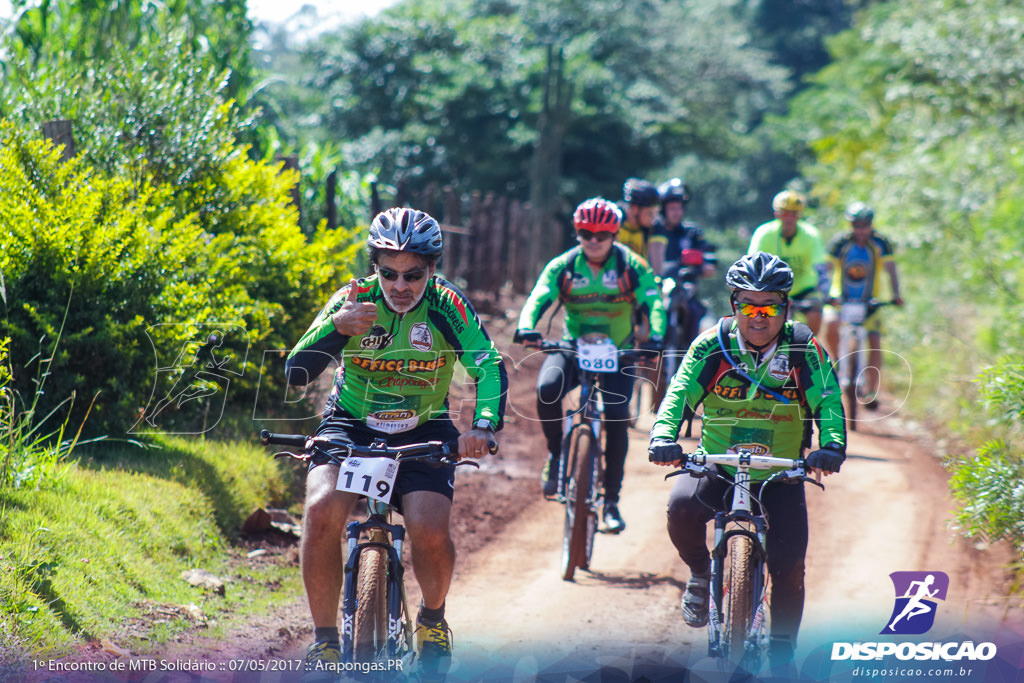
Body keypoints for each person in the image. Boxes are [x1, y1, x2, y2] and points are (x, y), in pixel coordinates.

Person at [284, 207, 508, 679]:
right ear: (374, 268)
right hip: (351, 421)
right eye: (388, 273)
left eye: (413, 274)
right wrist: (335, 329)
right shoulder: (352, 299)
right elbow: (296, 370)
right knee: (321, 509)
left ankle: (432, 620)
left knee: (429, 529)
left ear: (432, 270)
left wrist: (483, 426)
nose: (400, 285)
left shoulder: (448, 306)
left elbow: (488, 366)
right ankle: (325, 642)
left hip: (424, 426)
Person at [647, 251, 845, 666]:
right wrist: (664, 436)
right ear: (734, 306)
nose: (759, 316)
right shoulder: (712, 344)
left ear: (785, 307)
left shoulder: (803, 348)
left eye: (769, 305)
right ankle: (701, 573)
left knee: (789, 567)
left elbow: (827, 400)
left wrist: (832, 446)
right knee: (680, 507)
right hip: (718, 465)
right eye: (748, 306)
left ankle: (783, 652)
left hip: (780, 473)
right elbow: (679, 393)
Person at [515, 197, 665, 533]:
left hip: (620, 351)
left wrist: (655, 336)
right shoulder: (564, 266)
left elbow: (653, 301)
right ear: (577, 233)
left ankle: (611, 501)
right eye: (585, 233)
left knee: (616, 417)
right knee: (547, 390)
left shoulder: (632, 266)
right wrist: (527, 326)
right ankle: (556, 455)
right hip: (572, 345)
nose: (593, 240)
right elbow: (539, 295)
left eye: (601, 235)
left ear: (614, 235)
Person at [824, 201, 904, 408]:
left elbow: (890, 268)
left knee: (875, 342)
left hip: (869, 302)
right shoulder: (840, 243)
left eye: (864, 225)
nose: (861, 230)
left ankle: (870, 391)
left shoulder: (880, 243)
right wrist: (824, 293)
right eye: (856, 225)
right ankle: (837, 360)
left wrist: (896, 294)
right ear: (850, 225)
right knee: (831, 324)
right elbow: (826, 268)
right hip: (842, 299)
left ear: (870, 224)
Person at [747, 190, 829, 334]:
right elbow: (753, 265)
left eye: (794, 214)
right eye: (785, 213)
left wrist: (825, 293)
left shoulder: (811, 234)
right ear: (776, 214)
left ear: (799, 215)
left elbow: (820, 267)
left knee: (815, 310)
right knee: (777, 316)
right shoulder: (764, 234)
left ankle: (809, 346)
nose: (789, 218)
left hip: (804, 288)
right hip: (774, 287)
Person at [649, 177, 717, 349]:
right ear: (663, 209)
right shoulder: (652, 231)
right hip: (656, 291)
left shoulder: (692, 232)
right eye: (672, 208)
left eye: (680, 208)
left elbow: (710, 266)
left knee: (694, 311)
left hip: (686, 292)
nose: (677, 212)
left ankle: (690, 352)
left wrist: (701, 266)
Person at [617, 178, 660, 259]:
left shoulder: (654, 228)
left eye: (655, 213)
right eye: (649, 213)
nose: (654, 219)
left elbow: (657, 267)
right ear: (634, 209)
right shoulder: (615, 221)